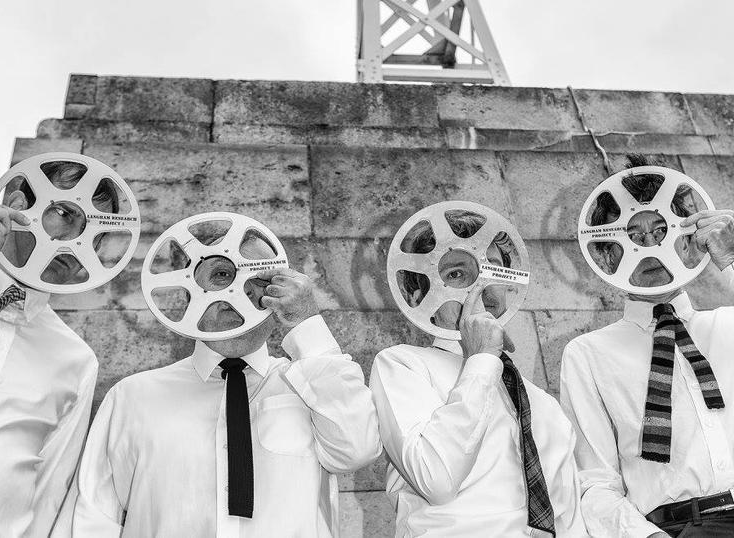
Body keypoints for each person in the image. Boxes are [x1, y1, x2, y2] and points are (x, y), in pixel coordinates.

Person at [66, 220, 382, 537]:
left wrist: (308, 326)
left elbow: (358, 448)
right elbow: (93, 518)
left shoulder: (311, 389)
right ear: (189, 290)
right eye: (222, 275)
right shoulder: (131, 398)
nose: (241, 290)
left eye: (260, 278)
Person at [370, 209, 586, 537]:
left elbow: (569, 521)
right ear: (419, 297)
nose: (480, 287)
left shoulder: (544, 405)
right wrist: (482, 359)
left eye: (491, 270)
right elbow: (436, 480)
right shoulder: (402, 366)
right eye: (457, 274)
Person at [560, 154, 734, 537]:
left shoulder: (728, 324)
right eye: (633, 237)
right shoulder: (588, 354)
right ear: (605, 255)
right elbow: (594, 482)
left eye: (661, 230)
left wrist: (732, 258)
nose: (650, 246)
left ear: (689, 243)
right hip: (678, 527)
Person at [0, 160, 121, 537]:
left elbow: (51, 491)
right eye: (65, 214)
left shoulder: (76, 360)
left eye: (93, 235)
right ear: (17, 203)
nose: (75, 241)